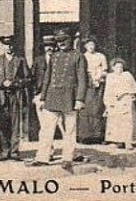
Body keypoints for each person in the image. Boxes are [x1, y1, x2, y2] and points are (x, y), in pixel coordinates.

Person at [27, 29, 87, 172]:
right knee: (46, 129)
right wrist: (43, 97)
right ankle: (42, 157)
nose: (61, 44)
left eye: (64, 40)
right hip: (52, 97)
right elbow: (47, 78)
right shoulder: (53, 57)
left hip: (69, 98)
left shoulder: (78, 56)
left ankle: (67, 158)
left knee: (70, 130)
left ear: (70, 40)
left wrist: (79, 99)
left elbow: (82, 79)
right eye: (58, 41)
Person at [0, 34, 30, 161]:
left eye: (11, 44)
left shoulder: (21, 60)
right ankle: (4, 152)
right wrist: (2, 83)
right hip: (2, 96)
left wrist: (15, 83)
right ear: (3, 46)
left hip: (16, 96)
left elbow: (28, 79)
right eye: (7, 45)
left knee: (15, 124)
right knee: (3, 124)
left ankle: (14, 152)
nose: (9, 47)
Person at [103, 58, 136, 149]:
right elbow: (107, 91)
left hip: (125, 100)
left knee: (127, 121)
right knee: (115, 122)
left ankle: (128, 142)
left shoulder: (127, 75)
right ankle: (118, 141)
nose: (119, 69)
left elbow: (135, 88)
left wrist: (124, 92)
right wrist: (107, 104)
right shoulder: (110, 77)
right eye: (117, 67)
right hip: (114, 101)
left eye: (121, 67)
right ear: (113, 68)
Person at [77, 37, 108, 144]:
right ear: (85, 46)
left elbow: (105, 70)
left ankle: (98, 136)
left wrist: (98, 77)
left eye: (92, 44)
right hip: (87, 84)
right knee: (86, 109)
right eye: (88, 45)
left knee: (98, 108)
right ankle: (85, 136)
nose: (91, 47)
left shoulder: (101, 56)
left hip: (99, 84)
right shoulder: (82, 57)